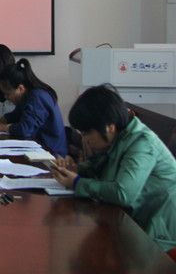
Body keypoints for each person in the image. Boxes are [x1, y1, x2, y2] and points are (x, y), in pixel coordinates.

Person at [51, 84, 176, 251]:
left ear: (109, 127)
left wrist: (76, 182)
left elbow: (122, 193)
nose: (85, 140)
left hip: (158, 236)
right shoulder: (118, 138)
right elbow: (99, 165)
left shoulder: (142, 143)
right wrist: (77, 169)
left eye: (87, 133)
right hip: (133, 223)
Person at [0, 58, 67, 157]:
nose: (6, 97)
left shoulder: (38, 97)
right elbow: (15, 115)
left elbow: (25, 129)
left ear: (20, 88)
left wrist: (3, 127)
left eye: (8, 94)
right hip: (37, 148)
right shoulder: (27, 95)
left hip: (51, 154)